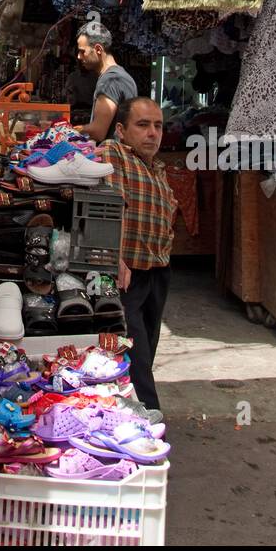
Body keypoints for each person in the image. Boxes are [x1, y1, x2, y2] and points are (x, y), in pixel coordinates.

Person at [98, 97, 178, 412]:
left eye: (158, 126)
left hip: (158, 273)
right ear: (121, 129)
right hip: (127, 273)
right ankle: (148, 424)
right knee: (136, 353)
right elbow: (110, 206)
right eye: (142, 125)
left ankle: (127, 412)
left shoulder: (157, 169)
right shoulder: (114, 154)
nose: (152, 133)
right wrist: (114, 258)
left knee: (144, 351)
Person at [73, 21, 137, 142]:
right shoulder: (123, 76)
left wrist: (71, 131)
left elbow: (98, 132)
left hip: (111, 156)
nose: (79, 57)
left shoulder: (109, 81)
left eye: (82, 51)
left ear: (98, 49)